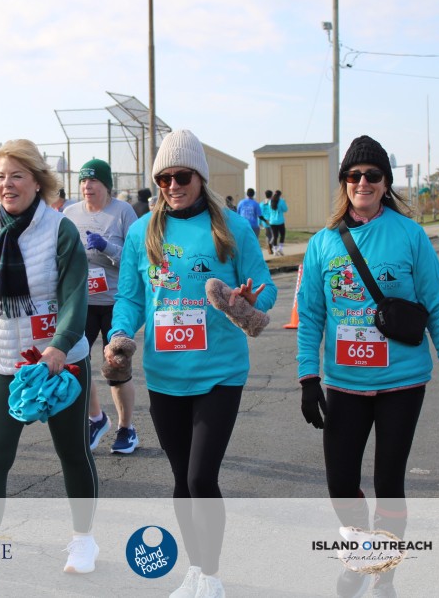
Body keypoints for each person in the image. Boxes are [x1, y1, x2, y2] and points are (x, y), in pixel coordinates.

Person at [104, 129, 276, 598]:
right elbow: (131, 298)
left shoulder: (232, 228)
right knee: (181, 479)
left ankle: (212, 576)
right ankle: (195, 570)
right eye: (163, 179)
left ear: (199, 176)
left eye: (181, 177)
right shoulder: (143, 232)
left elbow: (264, 289)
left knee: (201, 476)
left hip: (220, 372)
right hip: (165, 375)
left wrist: (248, 301)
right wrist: (120, 334)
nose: (172, 186)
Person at [297, 135, 439, 597]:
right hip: (345, 384)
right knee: (340, 483)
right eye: (354, 175)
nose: (363, 183)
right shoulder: (323, 243)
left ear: (386, 183)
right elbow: (310, 316)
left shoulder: (409, 235)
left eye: (372, 175)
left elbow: (436, 304)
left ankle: (383, 574)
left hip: (401, 383)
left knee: (389, 483)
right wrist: (308, 377)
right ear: (344, 182)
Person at [0, 139, 97, 596]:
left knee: (72, 451)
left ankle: (84, 539)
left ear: (37, 181)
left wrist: (60, 347)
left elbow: (76, 295)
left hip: (59, 361)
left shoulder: (60, 229)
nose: (7, 184)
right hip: (0, 358)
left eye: (17, 176)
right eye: (1, 177)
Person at [63, 159, 139, 454]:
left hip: (116, 302)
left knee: (117, 367)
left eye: (93, 180)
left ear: (106, 185)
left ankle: (126, 428)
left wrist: (107, 248)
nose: (87, 186)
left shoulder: (123, 212)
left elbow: (135, 258)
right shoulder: (69, 214)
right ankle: (96, 418)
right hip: (82, 301)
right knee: (75, 362)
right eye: (83, 181)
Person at [267, 190, 288, 256]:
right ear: (280, 195)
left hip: (272, 221)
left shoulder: (270, 201)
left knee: (275, 236)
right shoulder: (281, 201)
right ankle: (280, 249)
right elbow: (285, 209)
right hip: (280, 221)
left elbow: (269, 210)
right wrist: (284, 202)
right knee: (282, 234)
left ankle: (275, 250)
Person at [259, 189, 274, 254]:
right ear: (271, 195)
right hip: (272, 220)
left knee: (268, 235)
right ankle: (270, 246)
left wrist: (260, 223)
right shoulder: (273, 203)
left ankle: (269, 247)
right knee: (274, 235)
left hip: (265, 221)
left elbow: (260, 214)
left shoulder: (262, 203)